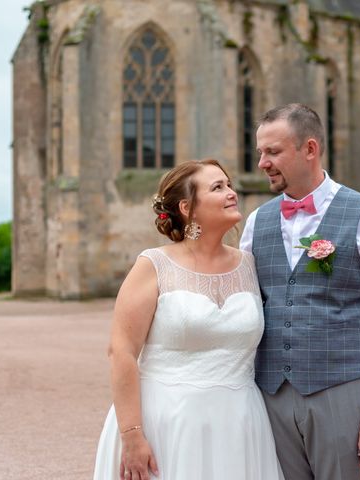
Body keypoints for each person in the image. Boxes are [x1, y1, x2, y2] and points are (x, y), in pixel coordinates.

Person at [240, 104, 360, 480]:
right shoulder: (257, 222)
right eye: (260, 152)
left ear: (310, 149)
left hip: (341, 392)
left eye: (273, 152)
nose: (262, 163)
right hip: (270, 396)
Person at [94, 159, 283, 480]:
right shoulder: (153, 265)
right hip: (166, 422)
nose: (231, 193)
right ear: (187, 207)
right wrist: (132, 435)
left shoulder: (251, 265)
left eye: (229, 185)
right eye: (217, 187)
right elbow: (121, 351)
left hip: (240, 424)